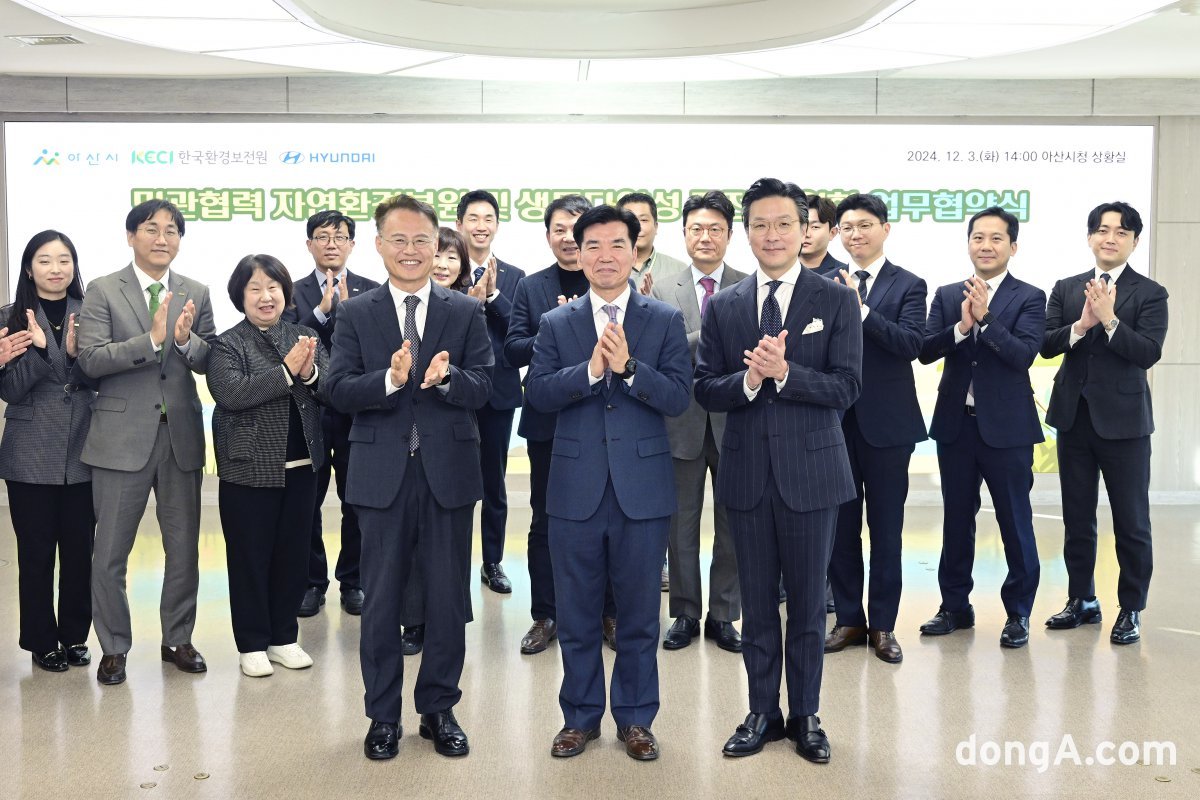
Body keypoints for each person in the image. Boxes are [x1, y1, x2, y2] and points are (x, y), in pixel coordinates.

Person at [695, 178, 861, 763]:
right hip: (744, 475)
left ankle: (806, 714)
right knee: (758, 603)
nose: (772, 235)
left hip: (813, 476)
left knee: (810, 607)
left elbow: (847, 386)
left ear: (804, 229)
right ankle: (761, 710)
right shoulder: (727, 305)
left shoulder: (835, 299)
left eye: (784, 223)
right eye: (760, 225)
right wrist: (747, 381)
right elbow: (705, 386)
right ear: (747, 232)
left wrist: (787, 373)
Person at [327, 194, 493, 761]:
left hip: (448, 472)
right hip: (380, 477)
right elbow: (338, 390)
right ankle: (382, 716)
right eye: (398, 240)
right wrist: (391, 381)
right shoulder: (355, 313)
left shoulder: (465, 312)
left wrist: (447, 381)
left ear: (439, 245)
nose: (411, 250)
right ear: (378, 247)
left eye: (422, 240)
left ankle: (439, 708)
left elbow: (486, 386)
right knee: (381, 602)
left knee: (448, 599)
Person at [526, 204, 691, 761]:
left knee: (641, 615)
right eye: (592, 245)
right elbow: (539, 396)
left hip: (642, 491)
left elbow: (676, 398)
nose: (604, 256)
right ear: (578, 253)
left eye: (616, 244)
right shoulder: (558, 323)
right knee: (575, 614)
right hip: (574, 490)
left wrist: (630, 371)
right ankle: (579, 717)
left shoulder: (663, 320)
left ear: (634, 247)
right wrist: (592, 373)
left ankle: (637, 719)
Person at [78, 199, 215, 687]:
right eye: (152, 229)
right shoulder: (101, 290)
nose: (163, 238)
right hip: (119, 440)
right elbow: (90, 360)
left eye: (172, 230)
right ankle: (114, 647)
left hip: (179, 438)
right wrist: (151, 341)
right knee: (110, 552)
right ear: (131, 236)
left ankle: (177, 638)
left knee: (184, 550)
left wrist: (182, 342)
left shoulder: (195, 290)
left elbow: (209, 361)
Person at [1041, 201, 1168, 645]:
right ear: (1090, 237)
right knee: (1077, 518)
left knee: (1131, 521)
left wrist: (1110, 320)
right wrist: (1082, 323)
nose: (1109, 238)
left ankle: (1131, 608)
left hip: (1126, 425)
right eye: (1101, 230)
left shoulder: (1150, 293)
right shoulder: (1067, 287)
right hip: (1074, 419)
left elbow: (1148, 352)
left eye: (1120, 231)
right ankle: (1082, 600)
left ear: (1134, 240)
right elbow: (1046, 344)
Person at [917, 207, 1045, 648]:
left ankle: (1019, 613)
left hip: (1008, 430)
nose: (985, 245)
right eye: (978, 237)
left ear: (1013, 246)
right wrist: (961, 325)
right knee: (956, 520)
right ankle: (954, 605)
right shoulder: (947, 291)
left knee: (1015, 521)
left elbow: (1023, 355)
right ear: (968, 243)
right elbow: (927, 350)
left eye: (996, 238)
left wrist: (986, 320)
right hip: (957, 427)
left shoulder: (1030, 296)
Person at [505, 194, 620, 655]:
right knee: (545, 520)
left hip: (607, 419)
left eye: (578, 230)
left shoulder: (617, 285)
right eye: (559, 229)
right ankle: (546, 614)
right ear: (549, 235)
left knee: (611, 517)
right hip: (551, 420)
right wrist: (558, 328)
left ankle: (608, 613)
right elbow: (513, 349)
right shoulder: (532, 288)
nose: (569, 238)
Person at [208, 254, 328, 677]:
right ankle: (252, 643)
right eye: (255, 288)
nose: (266, 296)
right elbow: (232, 394)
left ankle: (283, 637)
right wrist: (286, 372)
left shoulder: (305, 334)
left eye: (273, 287)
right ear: (240, 296)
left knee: (293, 556)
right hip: (248, 468)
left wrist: (310, 371)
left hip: (302, 467)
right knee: (249, 557)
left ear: (285, 293)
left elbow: (329, 387)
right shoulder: (226, 343)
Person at [824, 192, 927, 665]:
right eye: (847, 227)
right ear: (836, 233)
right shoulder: (820, 283)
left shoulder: (910, 284)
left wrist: (861, 309)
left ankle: (883, 625)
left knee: (887, 529)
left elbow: (911, 344)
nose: (856, 235)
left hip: (888, 426)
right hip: (834, 425)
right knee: (841, 529)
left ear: (885, 229)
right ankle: (848, 619)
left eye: (865, 225)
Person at [650, 191, 746, 653]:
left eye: (715, 229)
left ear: (729, 234)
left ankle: (724, 615)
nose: (705, 237)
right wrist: (710, 330)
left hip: (737, 423)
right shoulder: (662, 289)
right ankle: (685, 612)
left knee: (733, 524)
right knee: (680, 524)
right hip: (680, 422)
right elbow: (659, 353)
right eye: (696, 229)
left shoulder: (750, 285)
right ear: (684, 234)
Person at [0, 230, 95, 673]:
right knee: (36, 554)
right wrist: (39, 353)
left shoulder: (92, 314)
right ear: (28, 268)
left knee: (80, 552)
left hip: (84, 451)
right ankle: (41, 639)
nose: (56, 269)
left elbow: (103, 378)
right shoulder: (9, 317)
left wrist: (75, 357)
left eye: (64, 260)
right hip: (29, 453)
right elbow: (11, 393)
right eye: (45, 260)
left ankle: (75, 636)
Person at [283, 210, 379, 619]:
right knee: (308, 502)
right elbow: (285, 342)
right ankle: (311, 582)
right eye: (322, 236)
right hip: (312, 414)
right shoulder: (290, 291)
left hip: (360, 414)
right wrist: (321, 313)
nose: (331, 243)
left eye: (340, 236)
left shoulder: (373, 291)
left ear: (352, 245)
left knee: (356, 502)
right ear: (309, 245)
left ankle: (353, 580)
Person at [456, 190, 527, 595]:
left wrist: (495, 297)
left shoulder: (515, 276)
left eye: (488, 219)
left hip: (498, 392)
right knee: (453, 483)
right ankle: (452, 559)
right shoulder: (446, 267)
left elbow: (517, 331)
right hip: (454, 391)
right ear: (460, 222)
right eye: (473, 218)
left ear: (496, 226)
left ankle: (493, 562)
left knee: (493, 483)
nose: (481, 226)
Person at [617, 192, 687, 296]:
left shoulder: (679, 270)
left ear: (656, 227)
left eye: (643, 220)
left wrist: (654, 302)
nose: (637, 227)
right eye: (630, 220)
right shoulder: (605, 267)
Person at [798, 193, 847, 277]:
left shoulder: (844, 274)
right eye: (800, 226)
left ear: (832, 233)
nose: (806, 234)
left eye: (815, 227)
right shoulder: (777, 270)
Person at [432, 226, 471, 292]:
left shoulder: (464, 301)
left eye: (451, 257)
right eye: (436, 255)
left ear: (461, 269)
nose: (442, 265)